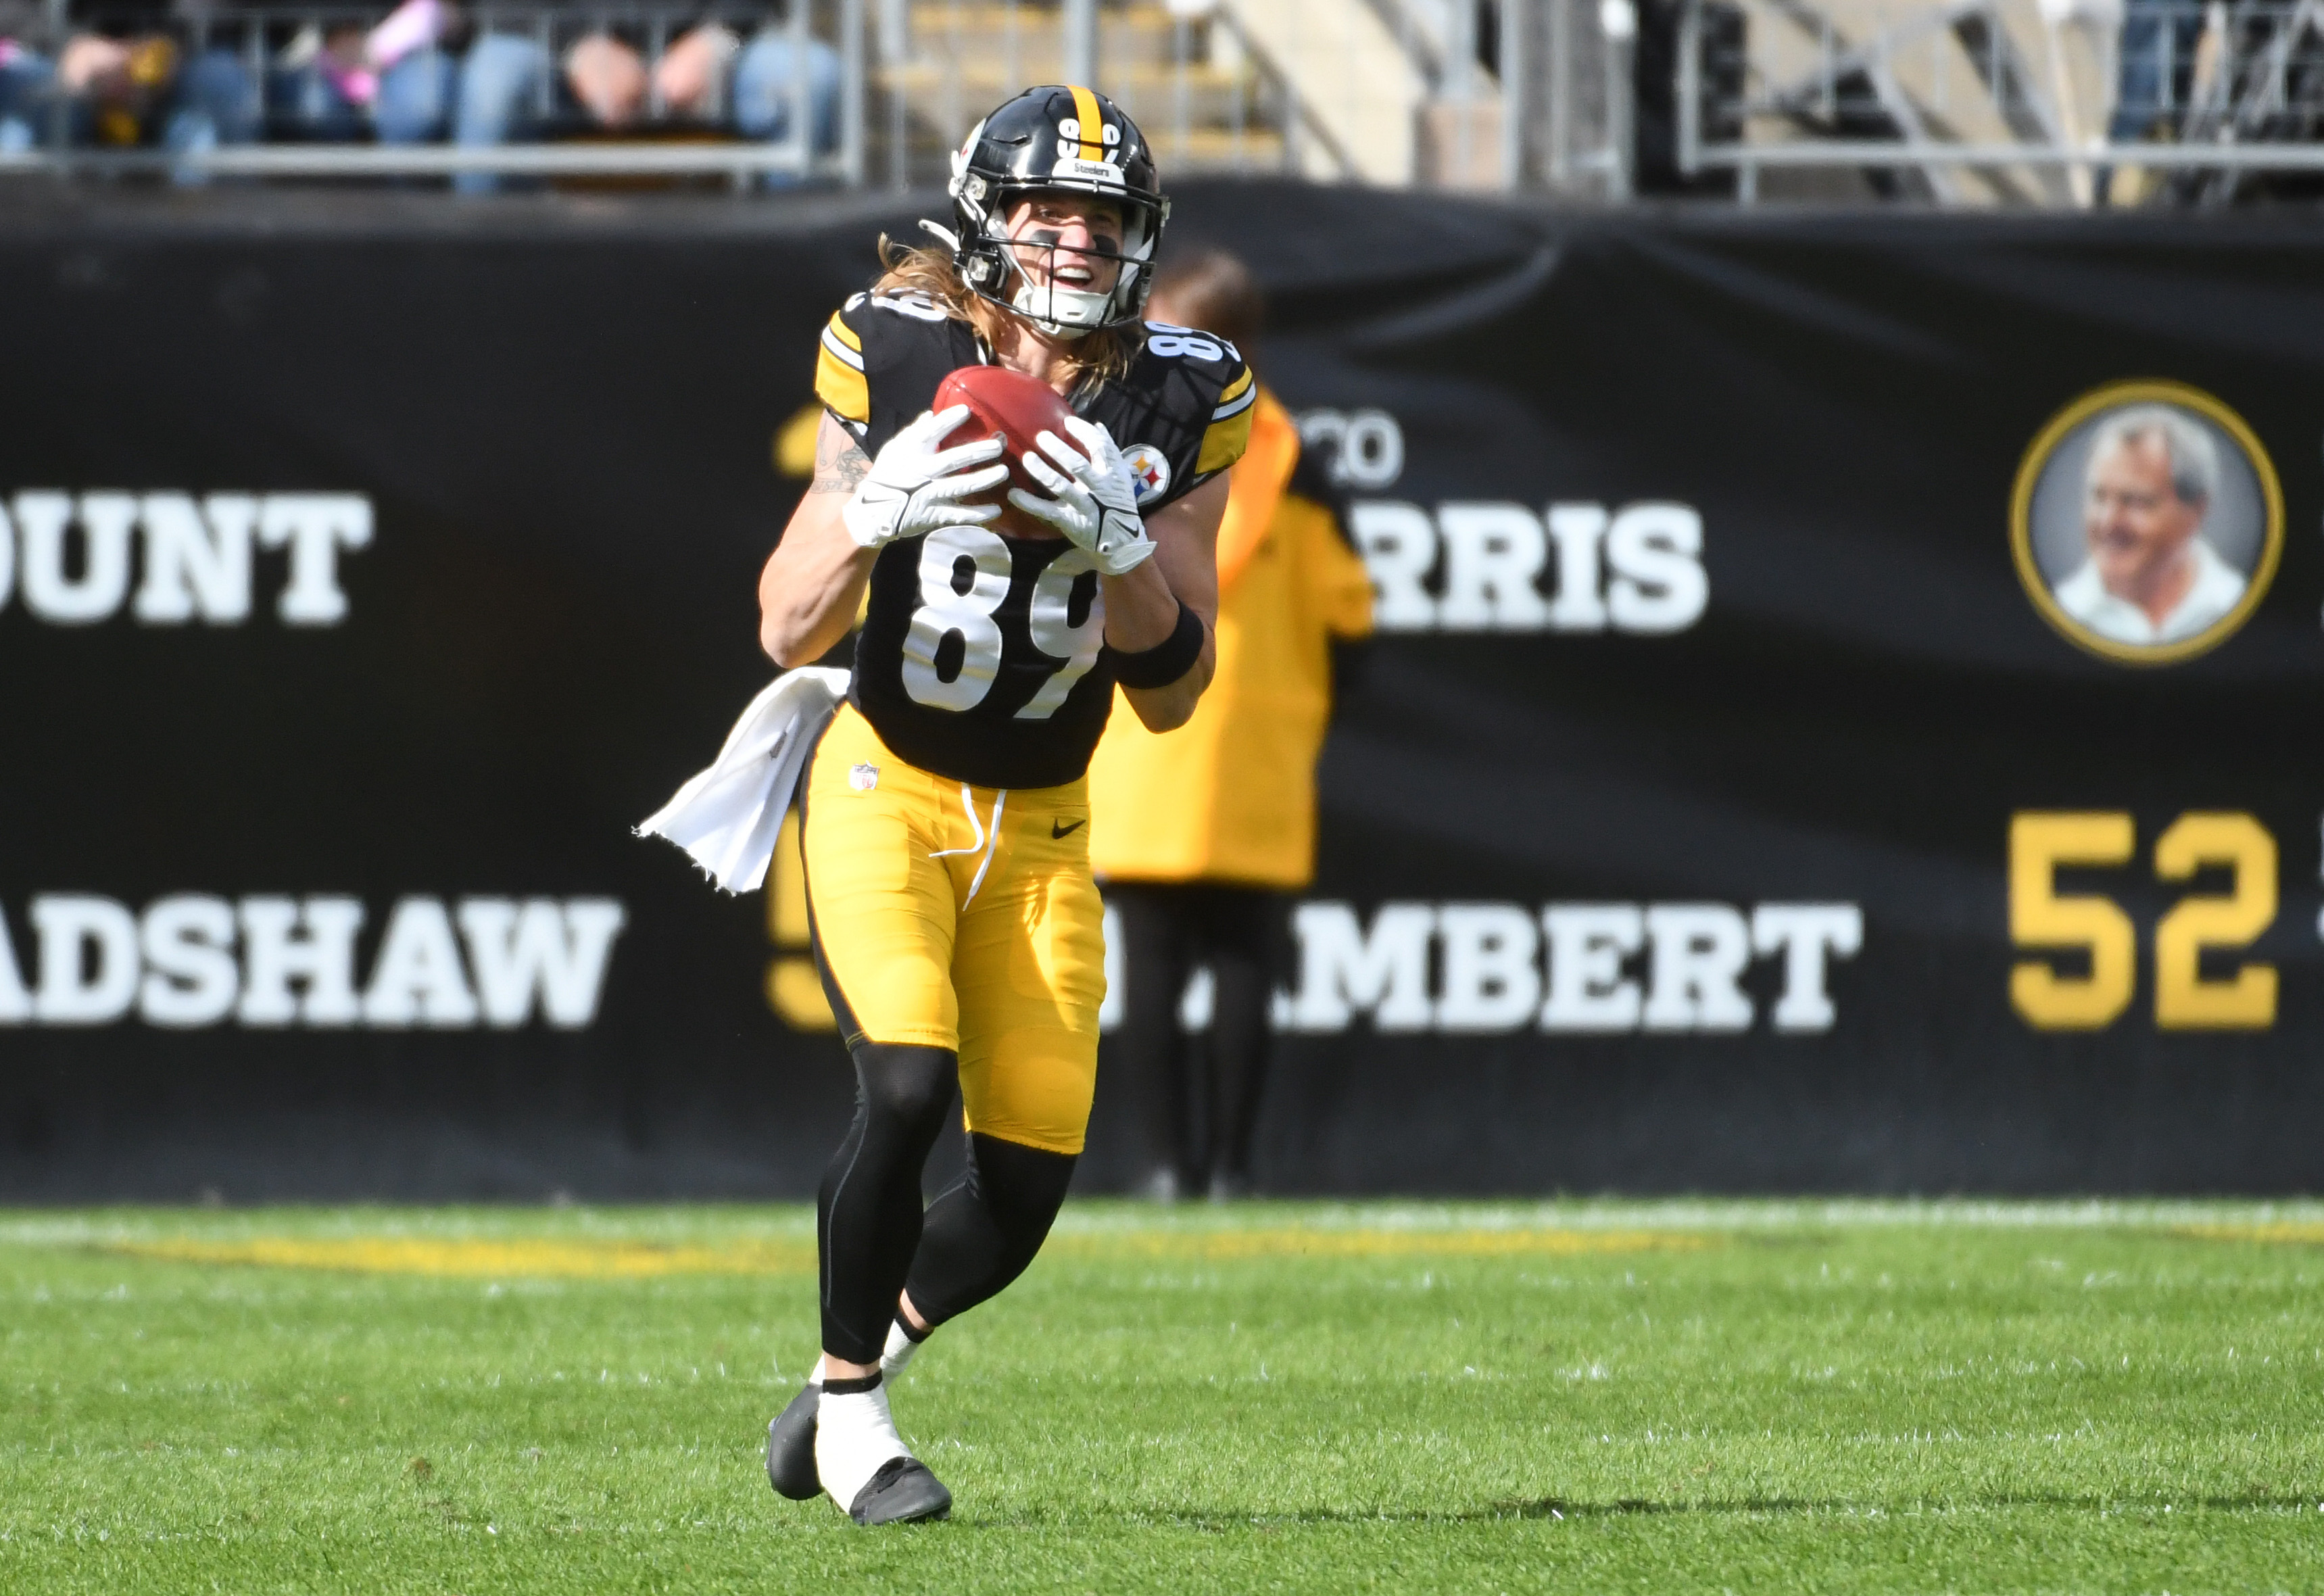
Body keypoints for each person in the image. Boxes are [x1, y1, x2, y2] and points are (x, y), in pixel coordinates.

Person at [752, 85, 1251, 1526]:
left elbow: (1169, 687)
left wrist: (1118, 547)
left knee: (1022, 1194)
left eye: (1104, 215)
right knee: (907, 1084)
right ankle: (855, 1425)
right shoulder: (897, 348)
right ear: (986, 216)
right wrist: (868, 511)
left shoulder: (1187, 390)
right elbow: (787, 624)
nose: (1078, 239)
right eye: (1050, 207)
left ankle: (840, 1379)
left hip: (1046, 820)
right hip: (888, 785)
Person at [1085, 247, 1375, 1203]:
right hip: (1257, 746)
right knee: (1247, 971)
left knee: (1153, 977)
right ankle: (1234, 1173)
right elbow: (1350, 615)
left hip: (1144, 742)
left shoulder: (1138, 439)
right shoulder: (1299, 466)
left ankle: (1168, 1168)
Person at [429, 12, 841, 194]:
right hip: (554, 53)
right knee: (493, 84)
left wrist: (718, 37)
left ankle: (785, 302)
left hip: (707, 52)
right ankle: (489, 292)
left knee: (812, 78)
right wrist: (578, 46)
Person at [2054, 405, 2247, 646]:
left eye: (2135, 501)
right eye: (2099, 497)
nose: (2108, 521)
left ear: (2196, 511)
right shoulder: (2057, 612)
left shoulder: (2241, 606)